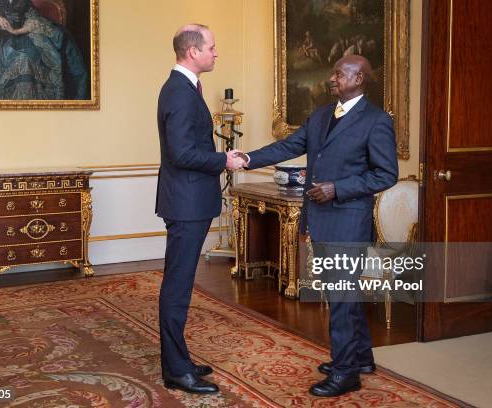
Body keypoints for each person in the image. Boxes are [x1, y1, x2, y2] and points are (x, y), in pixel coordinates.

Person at [238, 55, 398, 397]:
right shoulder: (322, 115)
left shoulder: (376, 120)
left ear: (360, 78)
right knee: (342, 292)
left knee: (341, 295)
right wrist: (248, 159)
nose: (331, 78)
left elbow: (386, 174)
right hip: (322, 218)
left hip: (349, 220)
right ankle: (360, 357)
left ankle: (345, 373)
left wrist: (338, 188)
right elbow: (288, 146)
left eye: (339, 73)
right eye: (333, 72)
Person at [155, 23, 245, 395]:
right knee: (177, 285)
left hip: (190, 199)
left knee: (181, 283)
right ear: (192, 51)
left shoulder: (185, 88)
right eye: (211, 47)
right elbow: (181, 153)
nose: (215, 53)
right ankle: (176, 370)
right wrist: (222, 160)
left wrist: (218, 159)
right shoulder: (178, 92)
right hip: (186, 202)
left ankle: (180, 360)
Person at [0, 0, 88, 99]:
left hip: (21, 33)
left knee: (58, 38)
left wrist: (17, 31)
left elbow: (31, 16)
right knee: (23, 58)